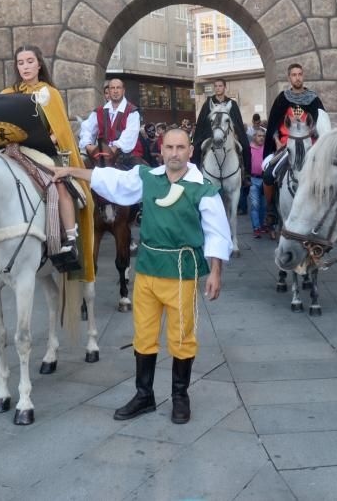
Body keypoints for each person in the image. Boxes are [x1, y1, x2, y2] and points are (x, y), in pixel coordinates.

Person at [52, 128, 231, 424]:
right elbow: (113, 181)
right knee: (144, 336)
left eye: (180, 147)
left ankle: (180, 397)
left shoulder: (202, 188)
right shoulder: (147, 177)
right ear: (161, 149)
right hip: (147, 270)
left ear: (190, 150)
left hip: (181, 273)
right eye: (169, 147)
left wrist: (215, 272)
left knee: (182, 338)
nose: (174, 153)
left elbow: (217, 232)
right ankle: (144, 395)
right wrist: (70, 170)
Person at [0, 46, 94, 278]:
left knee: (59, 182)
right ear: (17, 67)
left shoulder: (50, 93)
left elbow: (60, 129)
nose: (26, 66)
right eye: (21, 62)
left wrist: (46, 138)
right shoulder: (8, 92)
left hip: (43, 150)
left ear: (39, 64)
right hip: (13, 150)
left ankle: (69, 236)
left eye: (30, 61)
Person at [79, 78, 146, 168]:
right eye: (112, 88)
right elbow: (87, 128)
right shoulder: (99, 111)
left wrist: (114, 148)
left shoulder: (132, 111)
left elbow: (129, 136)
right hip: (102, 155)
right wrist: (88, 145)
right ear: (109, 91)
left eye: (118, 88)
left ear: (123, 90)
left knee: (139, 175)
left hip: (128, 157)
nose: (115, 91)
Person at [192, 79, 251, 176]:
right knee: (196, 148)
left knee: (246, 146)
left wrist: (236, 133)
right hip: (209, 134)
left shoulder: (232, 104)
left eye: (220, 86)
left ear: (225, 87)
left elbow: (237, 122)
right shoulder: (208, 103)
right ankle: (196, 174)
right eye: (216, 86)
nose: (218, 88)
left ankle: (247, 175)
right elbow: (202, 122)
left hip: (229, 134)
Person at [248, 128, 268, 238]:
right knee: (255, 205)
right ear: (254, 137)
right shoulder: (249, 149)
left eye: (263, 136)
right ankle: (256, 227)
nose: (261, 138)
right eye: (259, 136)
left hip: (264, 179)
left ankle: (262, 225)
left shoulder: (266, 149)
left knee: (264, 205)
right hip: (253, 179)